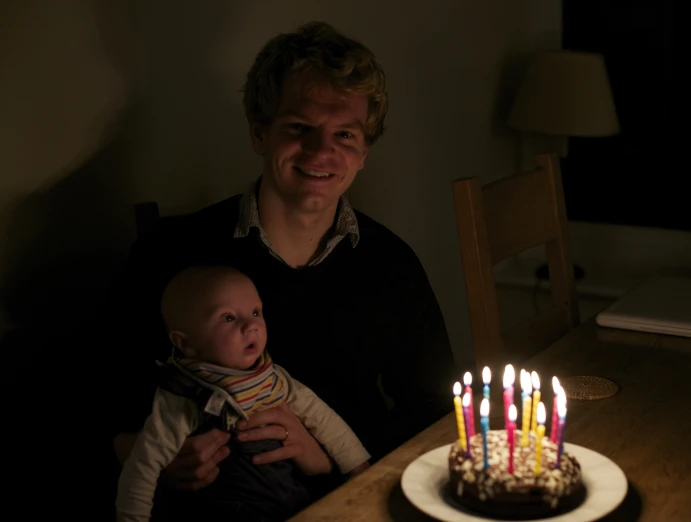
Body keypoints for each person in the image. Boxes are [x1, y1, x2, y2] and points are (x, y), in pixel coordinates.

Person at [108, 20, 456, 512]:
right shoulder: (172, 255)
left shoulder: (391, 263)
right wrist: (144, 455)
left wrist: (325, 459)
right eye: (298, 128)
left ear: (363, 154)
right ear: (259, 133)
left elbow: (431, 413)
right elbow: (87, 399)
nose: (321, 151)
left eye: (344, 134)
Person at [115, 265, 370, 522]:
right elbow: (143, 466)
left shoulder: (274, 380)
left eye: (256, 312)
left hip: (290, 501)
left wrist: (359, 468)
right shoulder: (183, 397)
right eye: (228, 318)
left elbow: (324, 419)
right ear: (186, 344)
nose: (252, 325)